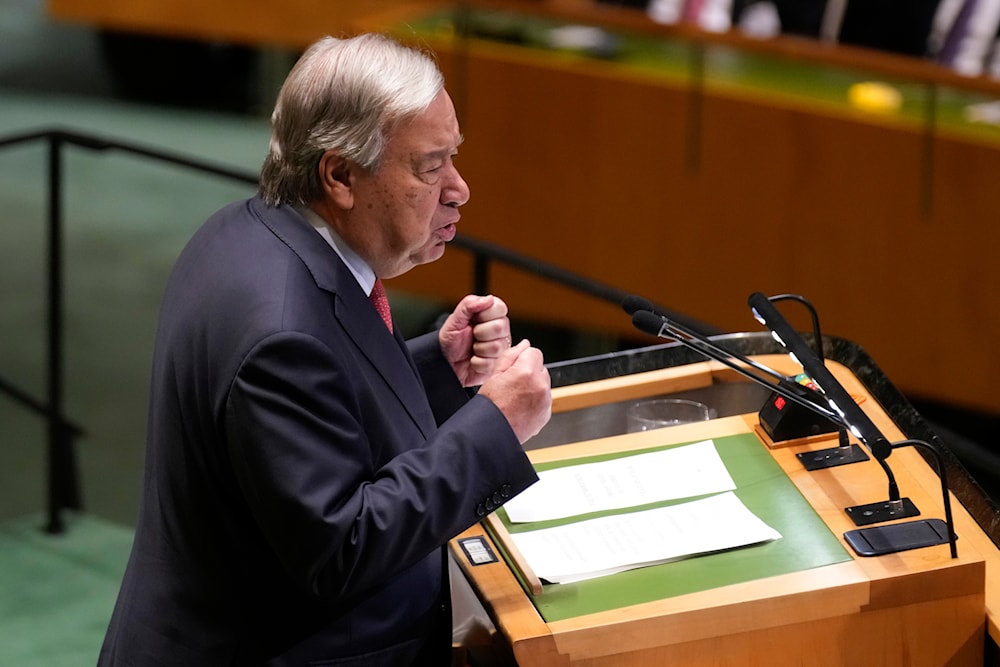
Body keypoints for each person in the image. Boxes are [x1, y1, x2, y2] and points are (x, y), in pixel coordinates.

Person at [98, 33, 552, 666]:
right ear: (340, 175)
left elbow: (322, 413)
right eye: (430, 166)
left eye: (454, 158)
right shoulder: (282, 332)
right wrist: (496, 428)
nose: (459, 189)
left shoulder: (248, 231)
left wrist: (437, 367)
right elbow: (343, 546)